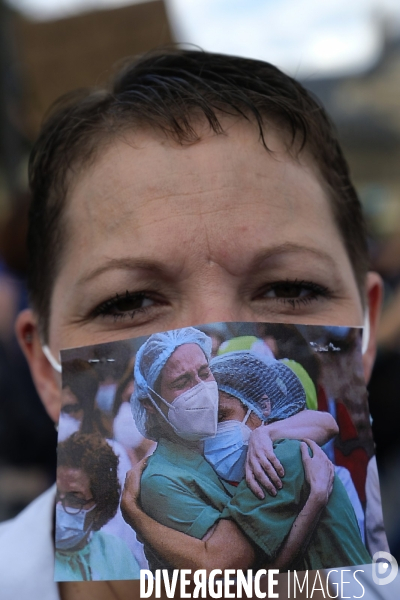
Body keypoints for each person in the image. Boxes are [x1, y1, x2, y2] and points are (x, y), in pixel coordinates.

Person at [0, 48, 387, 600]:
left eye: (290, 288)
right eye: (128, 300)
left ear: (365, 333)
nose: (211, 328)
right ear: (43, 368)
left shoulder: (281, 456)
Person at [122, 348, 371, 573]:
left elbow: (222, 564)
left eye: (221, 416)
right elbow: (262, 575)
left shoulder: (276, 460)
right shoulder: (235, 474)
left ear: (262, 405)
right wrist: (313, 502)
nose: (213, 432)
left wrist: (135, 515)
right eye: (207, 422)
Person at [55, 432, 140, 581]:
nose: (58, 507)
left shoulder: (115, 553)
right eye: (54, 495)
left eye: (74, 499)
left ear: (99, 509)